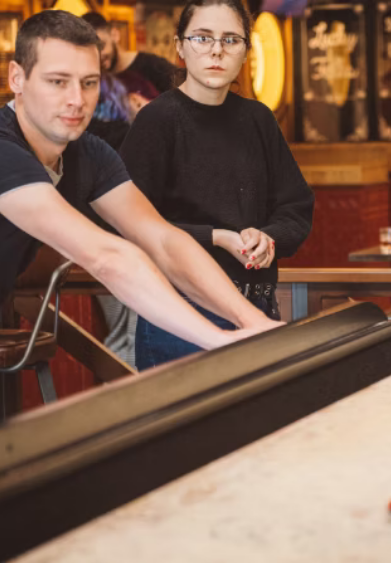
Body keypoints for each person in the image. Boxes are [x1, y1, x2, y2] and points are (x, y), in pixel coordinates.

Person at [0, 10, 282, 471]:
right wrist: (218, 339)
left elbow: (163, 240)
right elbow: (106, 257)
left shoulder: (88, 153)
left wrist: (251, 322)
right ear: (17, 79)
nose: (76, 100)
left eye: (89, 83)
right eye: (57, 82)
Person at [118, 0, 314, 369]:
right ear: (179, 47)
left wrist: (269, 237)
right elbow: (130, 225)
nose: (216, 51)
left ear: (246, 51)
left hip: (256, 302)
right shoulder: (157, 120)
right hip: (179, 314)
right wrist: (215, 237)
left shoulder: (258, 119)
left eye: (230, 40)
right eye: (202, 38)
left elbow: (296, 207)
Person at [82, 12, 178, 94]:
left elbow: (184, 101)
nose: (98, 56)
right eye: (91, 52)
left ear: (115, 35)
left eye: (101, 46)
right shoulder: (98, 80)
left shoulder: (153, 65)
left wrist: (150, 107)